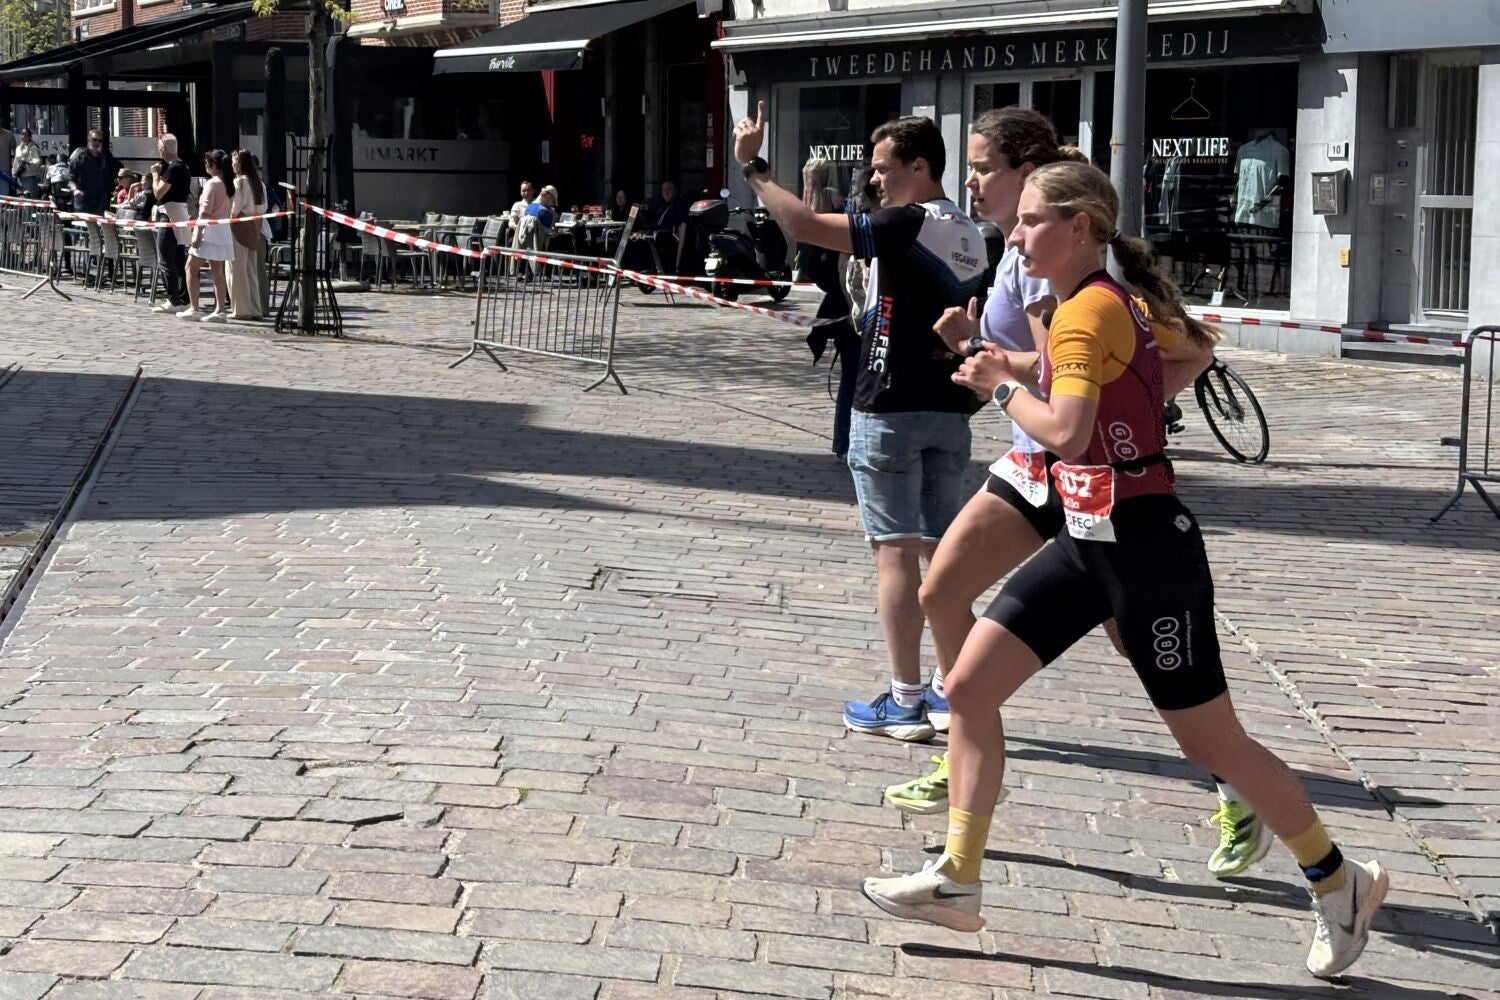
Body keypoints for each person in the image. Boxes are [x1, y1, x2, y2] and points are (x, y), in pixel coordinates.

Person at [861, 159, 1389, 979]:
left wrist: (997, 384)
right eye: (1018, 220)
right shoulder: (1088, 304)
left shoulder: (1088, 311)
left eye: (1032, 220)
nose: (1016, 235)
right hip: (1086, 536)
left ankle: (1338, 880)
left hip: (1147, 551)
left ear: (1080, 228)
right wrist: (990, 355)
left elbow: (1066, 431)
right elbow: (1080, 390)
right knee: (966, 688)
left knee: (1212, 741)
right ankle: (958, 877)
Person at [734, 106, 985, 742]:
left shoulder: (906, 223)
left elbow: (803, 225)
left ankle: (905, 699)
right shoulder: (971, 229)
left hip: (890, 407)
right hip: (950, 410)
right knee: (942, 556)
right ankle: (951, 690)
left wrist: (754, 168)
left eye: (883, 169)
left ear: (920, 167)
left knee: (895, 553)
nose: (874, 180)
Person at [796, 157, 858, 460]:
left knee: (851, 377)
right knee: (854, 377)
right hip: (849, 309)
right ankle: (846, 442)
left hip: (844, 306)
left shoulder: (824, 210)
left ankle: (845, 442)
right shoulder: (837, 211)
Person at [179, 149, 233, 323]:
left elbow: (205, 211)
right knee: (217, 271)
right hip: (223, 230)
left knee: (190, 268)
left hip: (209, 230)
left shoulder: (213, 183)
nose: (205, 165)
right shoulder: (228, 183)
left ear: (213, 165)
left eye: (207, 162)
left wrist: (198, 232)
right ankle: (220, 310)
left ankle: (194, 308)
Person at [150, 134, 193, 312]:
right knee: (177, 259)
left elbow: (158, 193)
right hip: (178, 214)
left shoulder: (174, 168)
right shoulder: (183, 167)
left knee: (166, 259)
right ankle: (183, 299)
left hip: (169, 215)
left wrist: (155, 175)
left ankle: (174, 300)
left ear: (164, 149)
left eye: (160, 147)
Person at [228, 149, 268, 321]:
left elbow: (235, 208)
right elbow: (264, 207)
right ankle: (255, 308)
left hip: (239, 226)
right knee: (251, 270)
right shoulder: (259, 183)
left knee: (236, 269)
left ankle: (241, 309)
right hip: (255, 226)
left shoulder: (239, 183)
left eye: (234, 161)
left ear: (239, 164)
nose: (232, 165)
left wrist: (229, 219)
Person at [68, 129, 114, 215]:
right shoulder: (80, 155)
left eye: (100, 140)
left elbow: (105, 178)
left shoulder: (102, 158)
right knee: (82, 222)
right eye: (94, 139)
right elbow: (71, 177)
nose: (97, 143)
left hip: (99, 200)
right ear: (88, 139)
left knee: (97, 222)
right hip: (82, 199)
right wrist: (75, 190)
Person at [12, 129, 43, 196]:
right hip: (19, 177)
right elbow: (15, 161)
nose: (23, 136)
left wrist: (28, 161)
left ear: (30, 137)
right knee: (21, 198)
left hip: (30, 177)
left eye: (26, 135)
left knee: (30, 197)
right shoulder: (18, 148)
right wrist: (14, 173)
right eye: (22, 134)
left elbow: (38, 161)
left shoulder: (33, 148)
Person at [0, 116, 15, 195]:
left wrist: (15, 168)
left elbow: (16, 152)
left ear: (1, 120)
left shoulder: (9, 135)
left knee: (4, 196)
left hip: (5, 171)